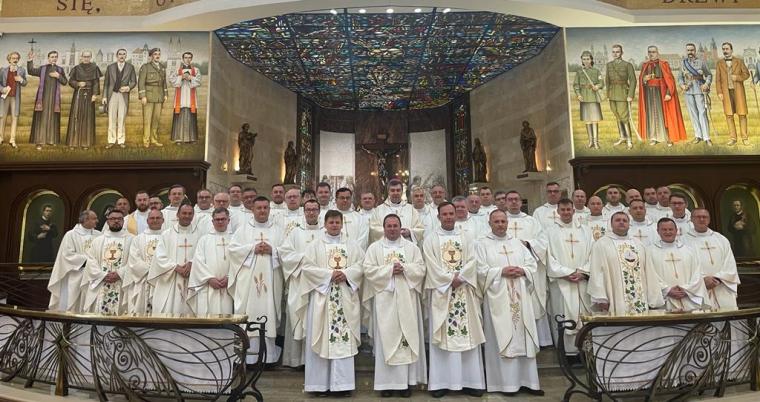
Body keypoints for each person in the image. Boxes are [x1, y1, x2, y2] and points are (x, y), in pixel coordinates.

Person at [476, 209, 542, 396]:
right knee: (502, 337)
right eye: (496, 221)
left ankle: (529, 382)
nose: (500, 225)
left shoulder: (517, 243)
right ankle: (505, 385)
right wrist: (501, 272)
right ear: (489, 223)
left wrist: (522, 271)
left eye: (503, 221)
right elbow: (480, 270)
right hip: (497, 299)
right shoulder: (482, 244)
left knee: (523, 336)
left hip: (520, 297)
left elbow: (532, 265)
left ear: (507, 223)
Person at [423, 202, 485, 398]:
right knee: (442, 337)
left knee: (468, 336)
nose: (449, 217)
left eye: (451, 213)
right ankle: (441, 383)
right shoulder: (431, 239)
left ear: (456, 215)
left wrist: (462, 278)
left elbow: (473, 260)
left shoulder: (466, 237)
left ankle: (471, 382)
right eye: (445, 214)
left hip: (464, 291)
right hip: (442, 294)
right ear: (438, 217)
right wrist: (450, 279)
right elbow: (430, 265)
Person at [300, 210, 364, 397]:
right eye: (331, 222)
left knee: (343, 340)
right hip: (323, 298)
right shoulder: (315, 246)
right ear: (325, 224)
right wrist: (329, 275)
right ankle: (318, 386)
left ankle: (342, 386)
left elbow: (361, 265)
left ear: (342, 224)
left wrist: (347, 274)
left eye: (337, 222)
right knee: (321, 338)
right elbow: (307, 268)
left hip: (345, 297)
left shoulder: (352, 245)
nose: (335, 225)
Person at [363, 214, 427, 398]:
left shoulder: (411, 248)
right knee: (386, 340)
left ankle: (406, 383)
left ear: (401, 227)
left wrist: (404, 268)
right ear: (383, 228)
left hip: (407, 301)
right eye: (389, 226)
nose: (392, 229)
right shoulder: (375, 248)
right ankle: (386, 384)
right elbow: (368, 269)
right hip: (384, 301)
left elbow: (421, 268)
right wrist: (390, 269)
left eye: (395, 226)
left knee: (407, 338)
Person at [228, 196, 285, 365]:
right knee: (249, 314)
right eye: (259, 208)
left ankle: (269, 357)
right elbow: (233, 250)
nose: (262, 211)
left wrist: (273, 251)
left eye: (265, 208)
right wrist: (252, 248)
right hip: (248, 284)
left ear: (269, 209)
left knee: (269, 314)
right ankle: (248, 357)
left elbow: (288, 252)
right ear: (252, 209)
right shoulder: (242, 230)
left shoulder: (278, 230)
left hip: (271, 281)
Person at [588, 212, 664, 315]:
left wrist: (653, 298)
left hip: (641, 300)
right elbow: (596, 272)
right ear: (611, 224)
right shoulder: (601, 244)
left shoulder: (638, 244)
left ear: (629, 224)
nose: (621, 222)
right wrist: (600, 298)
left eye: (624, 220)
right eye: (618, 220)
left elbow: (649, 272)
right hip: (615, 299)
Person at [504, 190, 551, 347]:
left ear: (521, 202)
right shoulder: (500, 220)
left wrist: (527, 244)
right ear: (505, 202)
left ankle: (539, 341)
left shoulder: (531, 221)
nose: (514, 202)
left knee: (533, 304)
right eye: (510, 199)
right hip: (508, 270)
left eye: (516, 199)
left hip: (528, 269)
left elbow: (543, 242)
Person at [278, 199, 322, 368]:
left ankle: (315, 360)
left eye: (314, 210)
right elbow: (285, 253)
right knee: (298, 317)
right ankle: (297, 360)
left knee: (317, 320)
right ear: (304, 212)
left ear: (319, 211)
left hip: (318, 285)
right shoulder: (295, 233)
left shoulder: (325, 232)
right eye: (308, 210)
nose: (311, 213)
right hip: (299, 281)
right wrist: (306, 259)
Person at [545, 199, 592, 356]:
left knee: (584, 315)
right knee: (562, 314)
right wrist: (565, 272)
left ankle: (585, 353)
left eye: (568, 209)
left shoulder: (585, 231)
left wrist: (583, 272)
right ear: (557, 211)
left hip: (582, 281)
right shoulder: (549, 232)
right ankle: (566, 353)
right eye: (563, 210)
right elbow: (548, 257)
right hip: (561, 282)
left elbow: (593, 254)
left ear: (573, 211)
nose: (566, 212)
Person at [148, 204, 201, 315]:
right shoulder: (167, 234)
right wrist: (176, 267)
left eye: (190, 213)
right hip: (171, 278)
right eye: (184, 213)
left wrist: (192, 263)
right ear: (178, 215)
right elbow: (159, 257)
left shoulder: (200, 234)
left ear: (193, 215)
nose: (187, 216)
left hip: (192, 278)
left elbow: (203, 255)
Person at [683, 209, 739, 310]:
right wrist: (702, 280)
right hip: (699, 289)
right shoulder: (683, 241)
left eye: (704, 217)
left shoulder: (721, 239)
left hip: (721, 286)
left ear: (709, 220)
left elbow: (729, 263)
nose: (701, 219)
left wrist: (717, 279)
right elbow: (684, 266)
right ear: (691, 219)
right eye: (698, 217)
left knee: (727, 316)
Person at [648, 218, 707, 313]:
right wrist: (667, 290)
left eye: (670, 229)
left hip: (688, 300)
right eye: (664, 229)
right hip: (664, 302)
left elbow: (697, 275)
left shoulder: (689, 251)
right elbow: (650, 276)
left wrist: (687, 290)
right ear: (658, 231)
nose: (668, 232)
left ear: (676, 230)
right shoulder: (649, 252)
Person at [81, 209, 133, 315]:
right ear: (108, 221)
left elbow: (134, 262)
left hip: (122, 284)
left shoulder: (132, 240)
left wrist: (120, 273)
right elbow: (91, 261)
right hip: (101, 283)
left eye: (119, 219)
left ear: (123, 221)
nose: (116, 221)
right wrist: (103, 275)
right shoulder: (98, 240)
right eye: (113, 219)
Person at [47, 210, 100, 312]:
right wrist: (88, 260)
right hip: (76, 275)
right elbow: (67, 255)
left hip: (94, 275)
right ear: (85, 220)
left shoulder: (99, 235)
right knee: (73, 305)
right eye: (94, 218)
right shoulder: (71, 235)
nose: (97, 221)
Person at [638, 45, 687, 146]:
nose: (651, 54)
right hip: (649, 94)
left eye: (653, 52)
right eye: (649, 52)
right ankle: (654, 138)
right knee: (651, 115)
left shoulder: (663, 64)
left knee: (665, 115)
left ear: (657, 53)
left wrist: (669, 93)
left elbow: (670, 80)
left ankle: (669, 138)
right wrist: (644, 79)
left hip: (661, 93)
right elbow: (642, 80)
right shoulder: (645, 65)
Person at [188, 208, 233, 315]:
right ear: (212, 221)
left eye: (223, 219)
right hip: (208, 287)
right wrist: (209, 278)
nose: (220, 222)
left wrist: (230, 277)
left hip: (229, 286)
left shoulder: (235, 239)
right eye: (217, 219)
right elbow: (198, 262)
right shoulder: (204, 240)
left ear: (228, 220)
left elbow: (239, 262)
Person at [124, 209, 164, 315]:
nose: (155, 220)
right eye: (152, 218)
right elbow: (134, 260)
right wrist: (151, 270)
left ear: (163, 220)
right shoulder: (138, 239)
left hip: (162, 280)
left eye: (158, 218)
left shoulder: (167, 237)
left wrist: (158, 270)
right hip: (143, 280)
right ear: (147, 221)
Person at [28, 50, 68, 150]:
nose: (54, 58)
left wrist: (58, 76)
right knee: (41, 119)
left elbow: (65, 82)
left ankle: (52, 140)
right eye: (52, 57)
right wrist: (30, 60)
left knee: (53, 118)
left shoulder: (60, 69)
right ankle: (39, 141)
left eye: (55, 57)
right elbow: (31, 71)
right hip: (43, 98)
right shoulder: (43, 68)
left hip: (54, 99)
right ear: (48, 58)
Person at [715, 42, 751, 146]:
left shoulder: (739, 61)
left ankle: (744, 138)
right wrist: (719, 92)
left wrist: (738, 77)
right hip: (726, 93)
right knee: (729, 115)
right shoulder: (719, 63)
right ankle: (733, 138)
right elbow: (717, 80)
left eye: (727, 49)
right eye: (723, 49)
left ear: (731, 50)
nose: (725, 51)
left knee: (742, 115)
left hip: (738, 92)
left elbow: (746, 74)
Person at [369, 179, 424, 244]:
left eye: (398, 190)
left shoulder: (411, 209)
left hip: (406, 245)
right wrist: (391, 232)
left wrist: (409, 232)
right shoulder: (379, 210)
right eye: (392, 190)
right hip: (386, 246)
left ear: (402, 191)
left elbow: (420, 228)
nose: (395, 193)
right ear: (388, 192)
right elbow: (374, 229)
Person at [65, 50, 101, 149]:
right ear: (81, 57)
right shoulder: (77, 68)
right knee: (76, 116)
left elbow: (96, 82)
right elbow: (70, 81)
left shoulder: (95, 68)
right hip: (78, 94)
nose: (86, 58)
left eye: (88, 57)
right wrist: (77, 84)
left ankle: (86, 143)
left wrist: (95, 94)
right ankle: (73, 142)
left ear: (90, 57)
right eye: (84, 56)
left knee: (87, 118)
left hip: (89, 95)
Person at [102, 48, 136, 149]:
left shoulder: (130, 67)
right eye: (120, 54)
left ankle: (121, 141)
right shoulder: (110, 67)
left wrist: (128, 87)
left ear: (126, 56)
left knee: (121, 119)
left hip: (123, 95)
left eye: (124, 54)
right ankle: (111, 140)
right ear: (117, 56)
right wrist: (104, 96)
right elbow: (106, 83)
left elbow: (134, 82)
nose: (122, 56)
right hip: (112, 95)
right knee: (111, 119)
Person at [679, 43, 713, 146]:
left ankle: (707, 137)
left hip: (699, 90)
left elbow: (709, 75)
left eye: (692, 50)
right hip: (688, 91)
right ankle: (698, 136)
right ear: (686, 51)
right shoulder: (683, 63)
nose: (690, 52)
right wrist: (682, 85)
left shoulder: (701, 62)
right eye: (688, 50)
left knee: (702, 113)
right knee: (693, 114)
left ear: (695, 51)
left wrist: (706, 84)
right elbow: (680, 77)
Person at [606, 44, 637, 147]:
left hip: (623, 94)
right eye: (613, 52)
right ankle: (622, 137)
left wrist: (630, 95)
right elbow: (607, 81)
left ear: (622, 53)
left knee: (624, 117)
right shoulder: (609, 65)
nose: (615, 54)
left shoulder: (627, 65)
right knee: (617, 116)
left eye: (617, 52)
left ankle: (629, 140)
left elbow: (633, 80)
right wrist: (608, 94)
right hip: (612, 94)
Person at [574, 50, 605, 149]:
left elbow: (602, 83)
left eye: (588, 59)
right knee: (587, 120)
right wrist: (578, 94)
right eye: (584, 59)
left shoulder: (596, 71)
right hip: (584, 97)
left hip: (593, 97)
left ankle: (596, 142)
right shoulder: (579, 72)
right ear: (582, 60)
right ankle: (590, 142)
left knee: (594, 120)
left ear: (591, 60)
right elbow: (576, 85)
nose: (586, 61)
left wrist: (597, 86)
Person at [169, 52, 201, 144]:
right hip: (181, 96)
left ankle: (191, 138)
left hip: (191, 97)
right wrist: (181, 77)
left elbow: (199, 81)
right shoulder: (177, 70)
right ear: (183, 59)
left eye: (189, 57)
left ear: (191, 59)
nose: (187, 59)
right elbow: (171, 80)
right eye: (186, 57)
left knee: (191, 116)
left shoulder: (196, 70)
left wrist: (190, 78)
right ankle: (178, 139)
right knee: (179, 115)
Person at [138, 48, 167, 148]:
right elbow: (141, 82)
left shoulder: (162, 67)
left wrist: (165, 94)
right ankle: (146, 141)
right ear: (151, 56)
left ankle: (154, 140)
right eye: (155, 54)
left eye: (159, 54)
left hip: (159, 96)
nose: (157, 56)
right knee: (147, 120)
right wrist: (143, 96)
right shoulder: (145, 67)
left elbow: (164, 82)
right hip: (149, 96)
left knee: (156, 119)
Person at [0, 51, 27, 148]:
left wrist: (21, 80)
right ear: (9, 59)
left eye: (16, 58)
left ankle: (12, 140)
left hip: (15, 98)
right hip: (4, 97)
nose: (15, 60)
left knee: (14, 118)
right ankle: (0, 138)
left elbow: (25, 83)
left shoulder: (22, 70)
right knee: (2, 117)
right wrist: (2, 89)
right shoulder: (3, 70)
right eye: (13, 58)